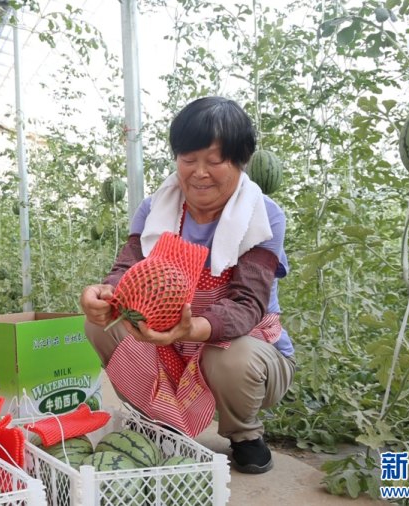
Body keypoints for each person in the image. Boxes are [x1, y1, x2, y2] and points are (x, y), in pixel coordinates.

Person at [80, 97, 295, 474]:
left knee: (228, 356)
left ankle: (244, 433)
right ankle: (157, 421)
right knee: (101, 324)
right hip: (174, 344)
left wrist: (194, 328)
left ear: (241, 162)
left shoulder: (264, 217)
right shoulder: (155, 209)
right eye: (188, 159)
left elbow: (247, 303)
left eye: (215, 161)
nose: (199, 173)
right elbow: (127, 268)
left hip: (246, 348)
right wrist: (103, 295)